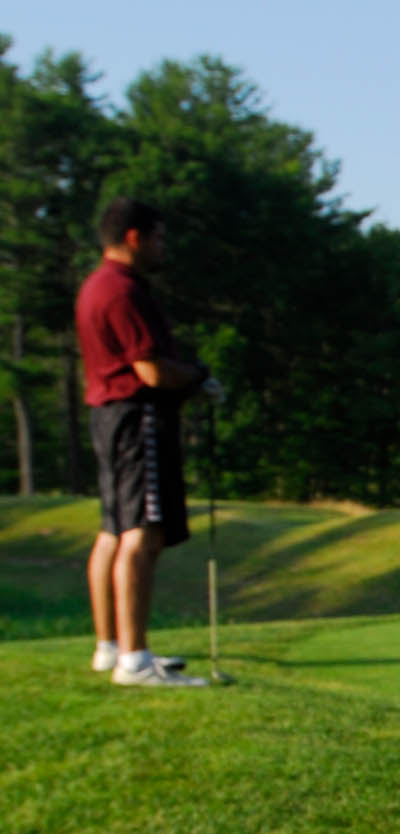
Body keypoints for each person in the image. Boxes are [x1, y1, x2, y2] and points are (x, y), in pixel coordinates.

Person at [76, 197, 222, 688]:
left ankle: (110, 646)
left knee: (114, 529)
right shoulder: (123, 291)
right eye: (159, 237)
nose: (164, 246)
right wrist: (199, 376)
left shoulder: (96, 286)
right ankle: (135, 661)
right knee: (143, 530)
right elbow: (152, 370)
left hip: (108, 417)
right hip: (137, 419)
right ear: (135, 237)